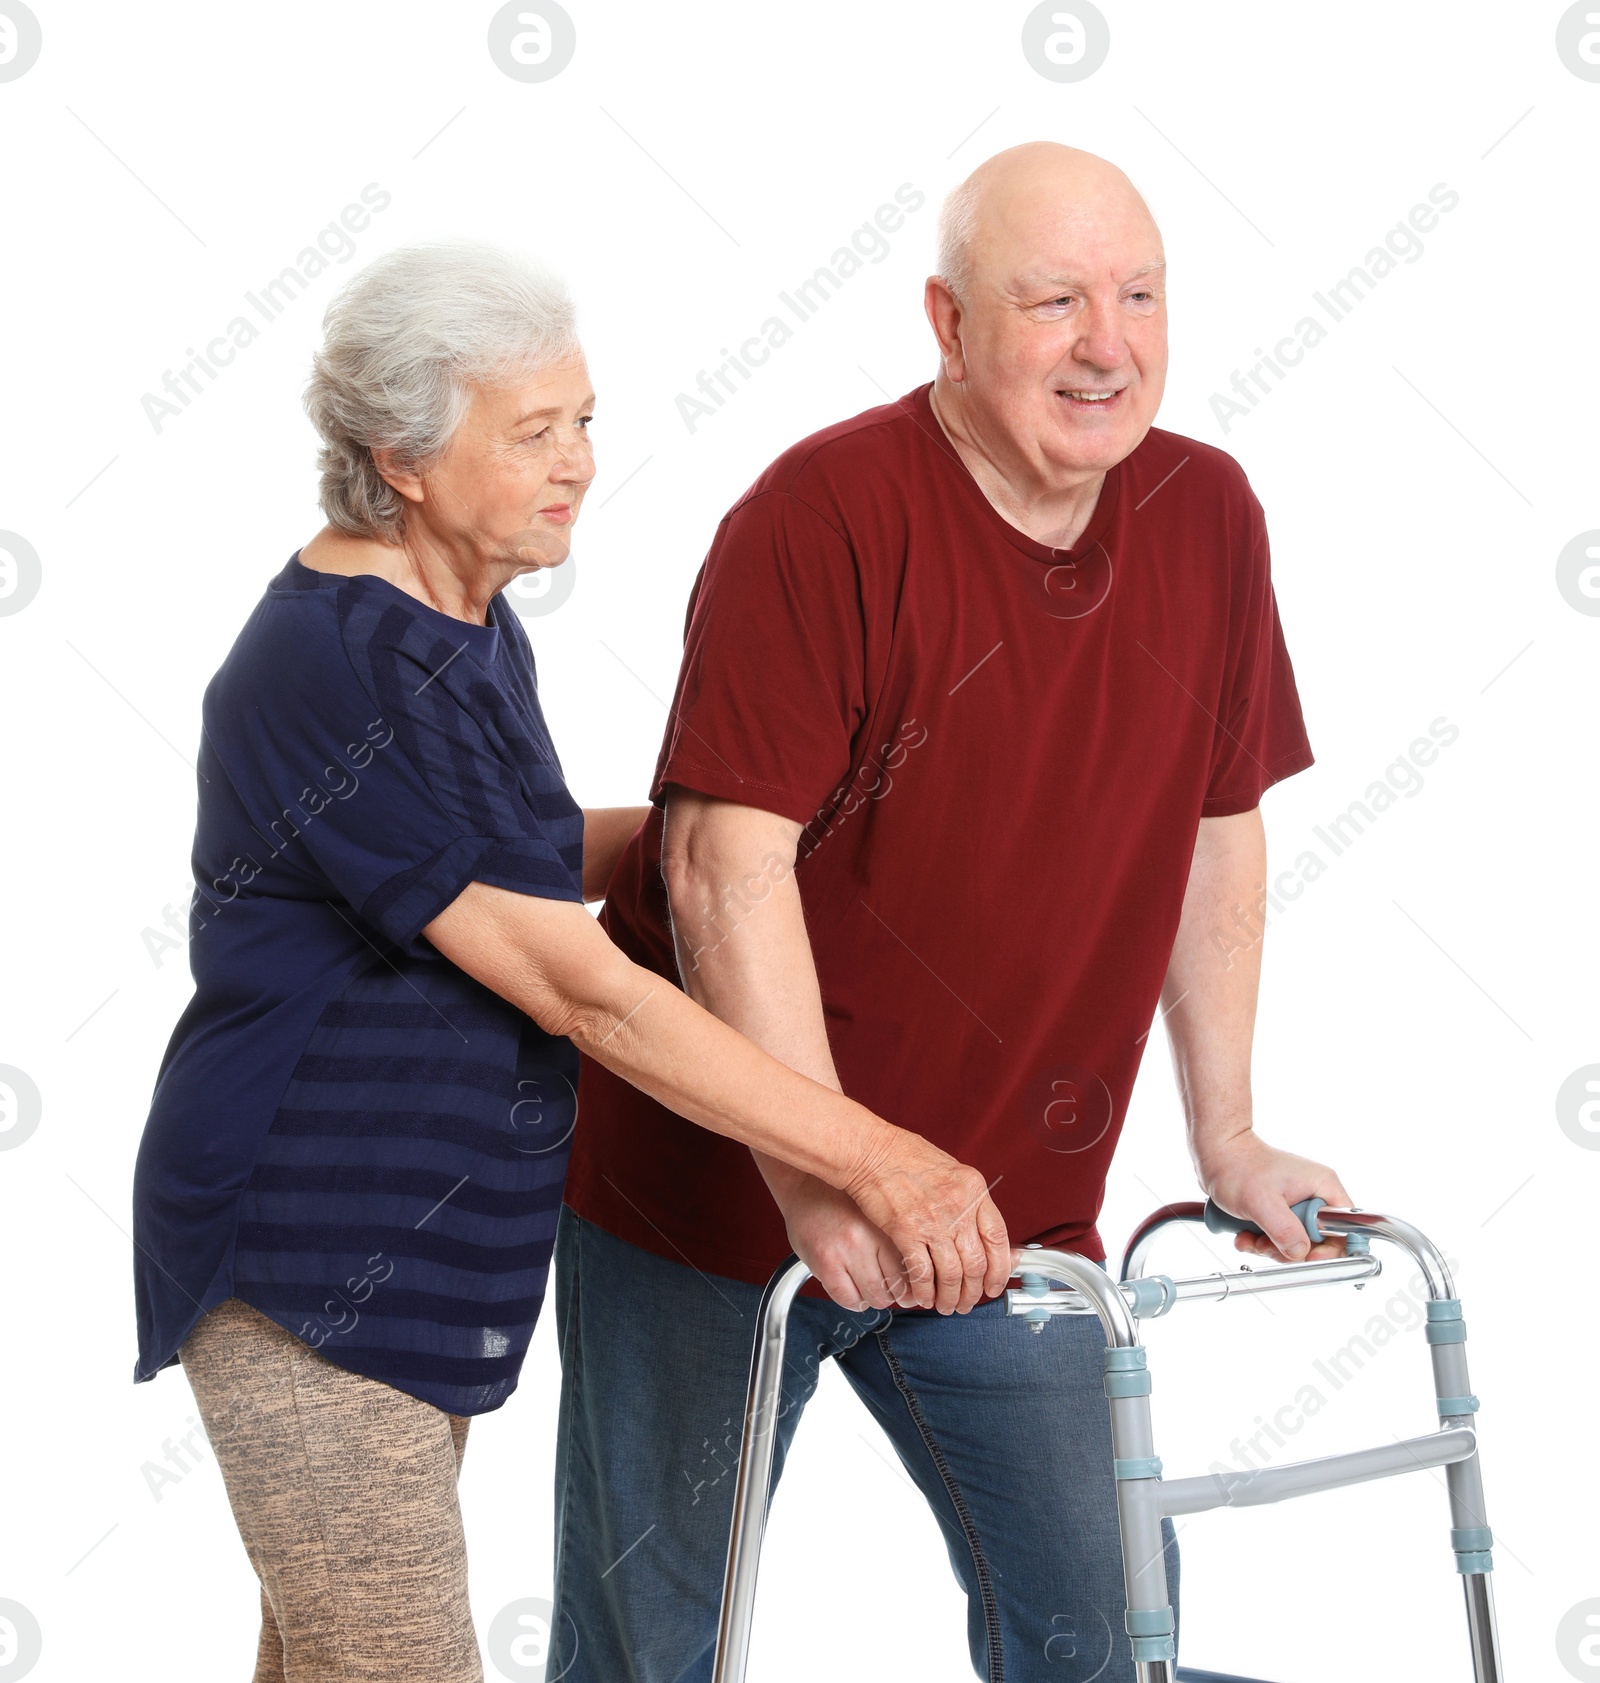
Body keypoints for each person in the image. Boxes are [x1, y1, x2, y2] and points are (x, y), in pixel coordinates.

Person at [129, 240, 1009, 1683]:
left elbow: (530, 858)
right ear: (400, 460)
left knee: (324, 1664)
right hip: (309, 1267)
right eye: (532, 432)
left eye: (583, 418)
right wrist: (879, 1157)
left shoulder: (464, 625)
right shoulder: (337, 664)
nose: (580, 462)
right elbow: (573, 982)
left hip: (411, 1272)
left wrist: (755, 821)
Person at [552, 143, 1355, 1681]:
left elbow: (1218, 827)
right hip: (717, 1200)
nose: (1106, 345)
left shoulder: (1209, 515)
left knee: (1110, 1635)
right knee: (652, 1651)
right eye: (1054, 302)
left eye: (1138, 297)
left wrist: (1230, 1130)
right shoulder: (823, 515)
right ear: (949, 322)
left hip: (1005, 1216)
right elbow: (725, 865)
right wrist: (818, 1169)